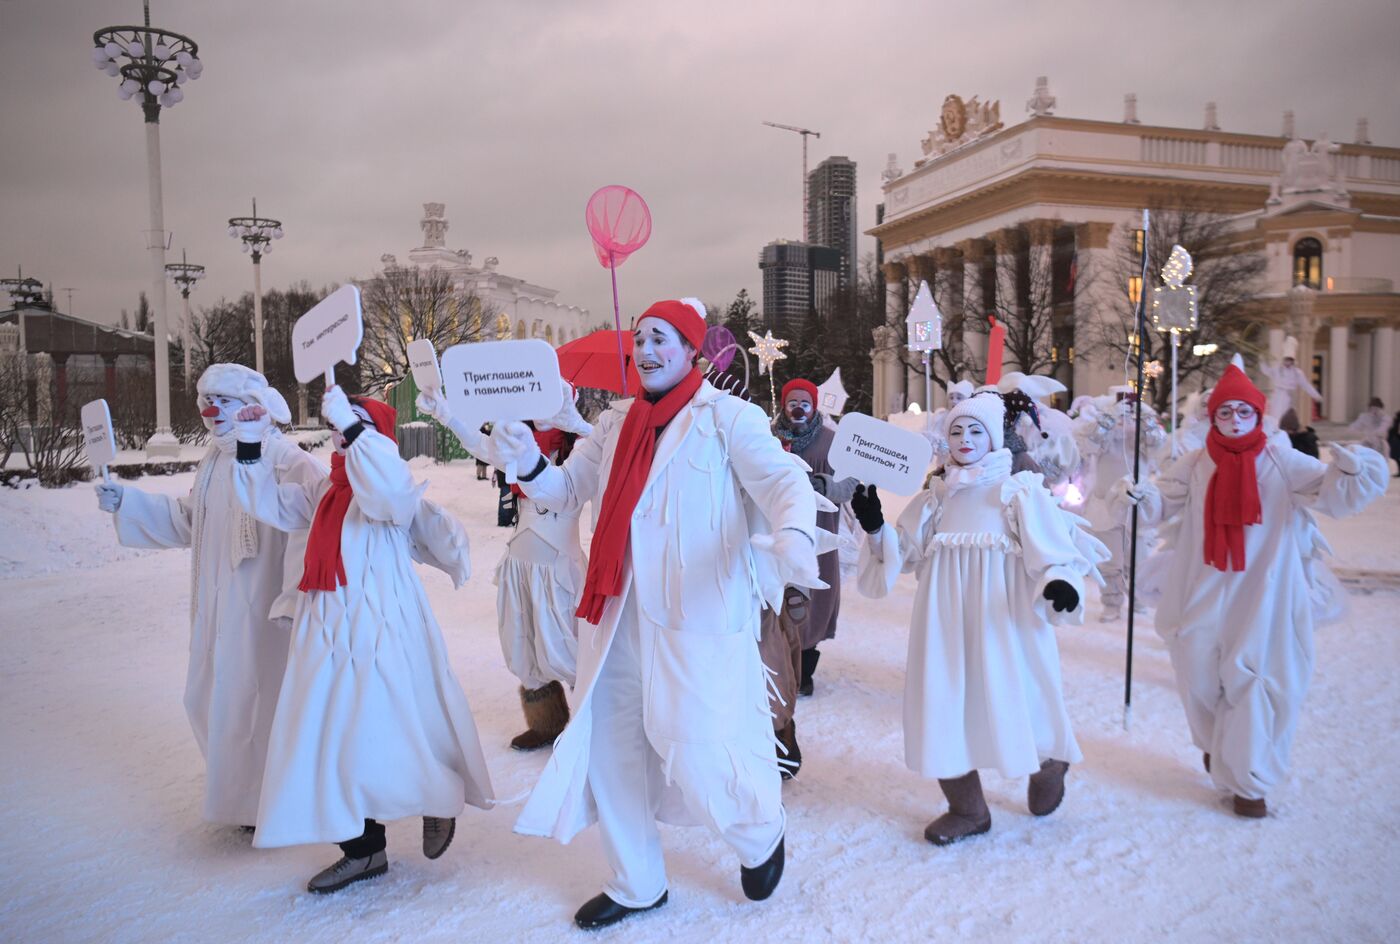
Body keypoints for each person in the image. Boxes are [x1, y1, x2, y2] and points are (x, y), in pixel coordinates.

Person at [483, 298, 819, 929]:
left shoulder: (727, 419)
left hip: (694, 618)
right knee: (613, 750)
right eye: (640, 339)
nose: (648, 350)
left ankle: (758, 832)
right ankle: (637, 882)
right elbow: (564, 493)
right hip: (615, 614)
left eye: (662, 338)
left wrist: (795, 534)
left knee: (701, 749)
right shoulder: (612, 426)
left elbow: (783, 483)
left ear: (691, 349)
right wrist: (526, 459)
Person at [230, 388, 493, 893]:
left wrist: (356, 432)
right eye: (338, 424)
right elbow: (269, 504)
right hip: (327, 632)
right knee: (332, 735)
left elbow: (388, 491)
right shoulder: (327, 490)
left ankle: (438, 796)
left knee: (395, 725)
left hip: (383, 631)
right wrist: (248, 443)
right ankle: (362, 848)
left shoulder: (389, 489)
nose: (340, 433)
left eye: (352, 424)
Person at [1129, 363, 1388, 817]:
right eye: (1224, 412)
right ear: (1213, 417)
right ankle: (1216, 744)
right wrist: (1139, 498)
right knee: (1198, 672)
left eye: (1241, 411)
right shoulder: (1195, 463)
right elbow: (1161, 501)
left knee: (1257, 678)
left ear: (1257, 414)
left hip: (1263, 592)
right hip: (1203, 586)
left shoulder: (1281, 459)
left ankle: (1251, 781)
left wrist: (1351, 471)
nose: (1232, 420)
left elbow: (1332, 493)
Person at [852, 392, 1106, 845]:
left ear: (992, 438)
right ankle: (967, 809)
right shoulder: (936, 495)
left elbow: (1051, 548)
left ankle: (1049, 762)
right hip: (943, 623)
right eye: (956, 430)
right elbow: (904, 552)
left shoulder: (1017, 489)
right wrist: (876, 529)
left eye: (975, 431)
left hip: (1004, 620)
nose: (965, 439)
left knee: (1019, 692)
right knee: (943, 703)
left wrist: (1060, 582)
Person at [93, 364, 324, 831]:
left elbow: (319, 522)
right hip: (217, 608)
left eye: (223, 401)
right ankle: (243, 801)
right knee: (212, 697)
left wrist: (294, 598)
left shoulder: (286, 460)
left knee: (262, 700)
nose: (210, 410)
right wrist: (128, 503)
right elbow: (189, 521)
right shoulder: (214, 462)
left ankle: (273, 803)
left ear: (251, 408)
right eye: (205, 401)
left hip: (264, 614)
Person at [418, 386, 593, 752]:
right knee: (521, 643)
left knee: (566, 646)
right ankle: (546, 721)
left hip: (558, 567)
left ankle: (595, 725)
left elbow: (610, 459)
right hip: (520, 562)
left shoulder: (582, 449)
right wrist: (447, 415)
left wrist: (581, 427)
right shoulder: (519, 439)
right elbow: (484, 447)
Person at [1072, 388, 1168, 621]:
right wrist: (1110, 416)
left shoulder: (1144, 432)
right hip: (1105, 503)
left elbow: (1159, 445)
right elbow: (1088, 444)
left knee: (1140, 558)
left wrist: (1144, 416)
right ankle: (1111, 602)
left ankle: (1139, 599)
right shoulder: (1102, 431)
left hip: (1138, 503)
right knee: (1110, 560)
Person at [1259, 338, 1322, 422]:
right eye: (1286, 360)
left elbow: (1306, 385)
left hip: (1289, 397)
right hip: (1277, 396)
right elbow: (1266, 371)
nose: (1288, 362)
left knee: (1287, 417)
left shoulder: (1297, 373)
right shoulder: (1277, 369)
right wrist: (1262, 361)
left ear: (1293, 361)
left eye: (1290, 360)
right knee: (1275, 416)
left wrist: (1316, 395)